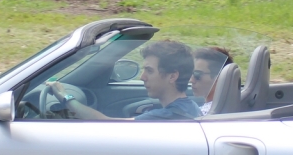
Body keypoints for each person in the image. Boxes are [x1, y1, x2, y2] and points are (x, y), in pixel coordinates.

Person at [49, 40, 201, 120]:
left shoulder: (169, 116)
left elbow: (108, 125)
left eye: (149, 70)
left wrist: (66, 97)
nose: (142, 77)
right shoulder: (188, 107)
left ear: (172, 76)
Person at [192, 46, 233, 116]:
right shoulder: (230, 105)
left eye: (197, 75)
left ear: (219, 77)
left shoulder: (204, 114)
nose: (191, 80)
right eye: (191, 73)